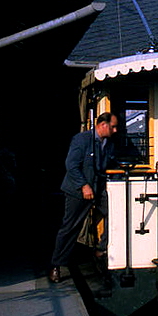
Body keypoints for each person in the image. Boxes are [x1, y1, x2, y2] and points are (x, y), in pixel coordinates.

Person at [49, 112, 119, 283]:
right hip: (78, 190)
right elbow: (71, 166)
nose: (116, 130)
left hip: (98, 187)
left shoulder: (108, 144)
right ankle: (56, 265)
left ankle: (101, 250)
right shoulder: (81, 139)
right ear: (103, 125)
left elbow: (110, 164)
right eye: (113, 126)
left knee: (117, 215)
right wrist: (84, 186)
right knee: (70, 227)